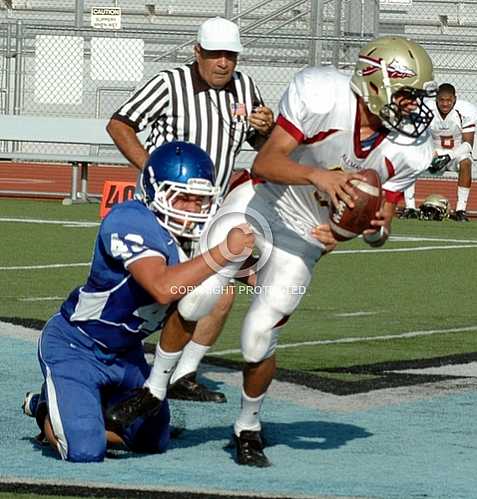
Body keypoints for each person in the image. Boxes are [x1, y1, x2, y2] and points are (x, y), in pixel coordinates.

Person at [105, 36, 437, 467]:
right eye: (408, 93)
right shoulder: (323, 94)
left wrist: (366, 232)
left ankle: (247, 425)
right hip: (262, 201)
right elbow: (265, 162)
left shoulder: (410, 147)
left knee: (259, 336)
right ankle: (153, 389)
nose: (414, 106)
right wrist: (318, 177)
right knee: (201, 295)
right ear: (376, 82)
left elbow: (379, 225)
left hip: (304, 235)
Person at [22, 141, 254, 462]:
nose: (191, 209)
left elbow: (260, 277)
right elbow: (161, 287)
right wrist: (223, 252)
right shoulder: (130, 219)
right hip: (77, 347)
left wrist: (312, 241)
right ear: (153, 191)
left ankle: (81, 408)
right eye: (181, 198)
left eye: (199, 200)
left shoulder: (202, 232)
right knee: (85, 450)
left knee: (152, 441)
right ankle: (46, 407)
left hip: (127, 355)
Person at [106, 16, 275, 403]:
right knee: (152, 290)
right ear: (197, 52)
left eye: (230, 56)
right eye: (215, 54)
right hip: (164, 208)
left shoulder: (245, 87)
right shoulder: (169, 83)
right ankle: (118, 358)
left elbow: (264, 144)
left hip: (211, 210)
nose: (223, 63)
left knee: (221, 292)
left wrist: (266, 128)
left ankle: (182, 374)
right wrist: (152, 169)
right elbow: (120, 124)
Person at [402, 83, 476, 221]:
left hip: (455, 154)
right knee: (410, 161)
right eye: (442, 100)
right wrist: (429, 152)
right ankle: (410, 207)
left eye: (449, 100)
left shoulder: (466, 111)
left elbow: (468, 144)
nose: (445, 103)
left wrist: (449, 156)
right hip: (433, 152)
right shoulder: (426, 109)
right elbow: (415, 137)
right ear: (436, 99)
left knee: (466, 162)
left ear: (455, 99)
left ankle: (460, 210)